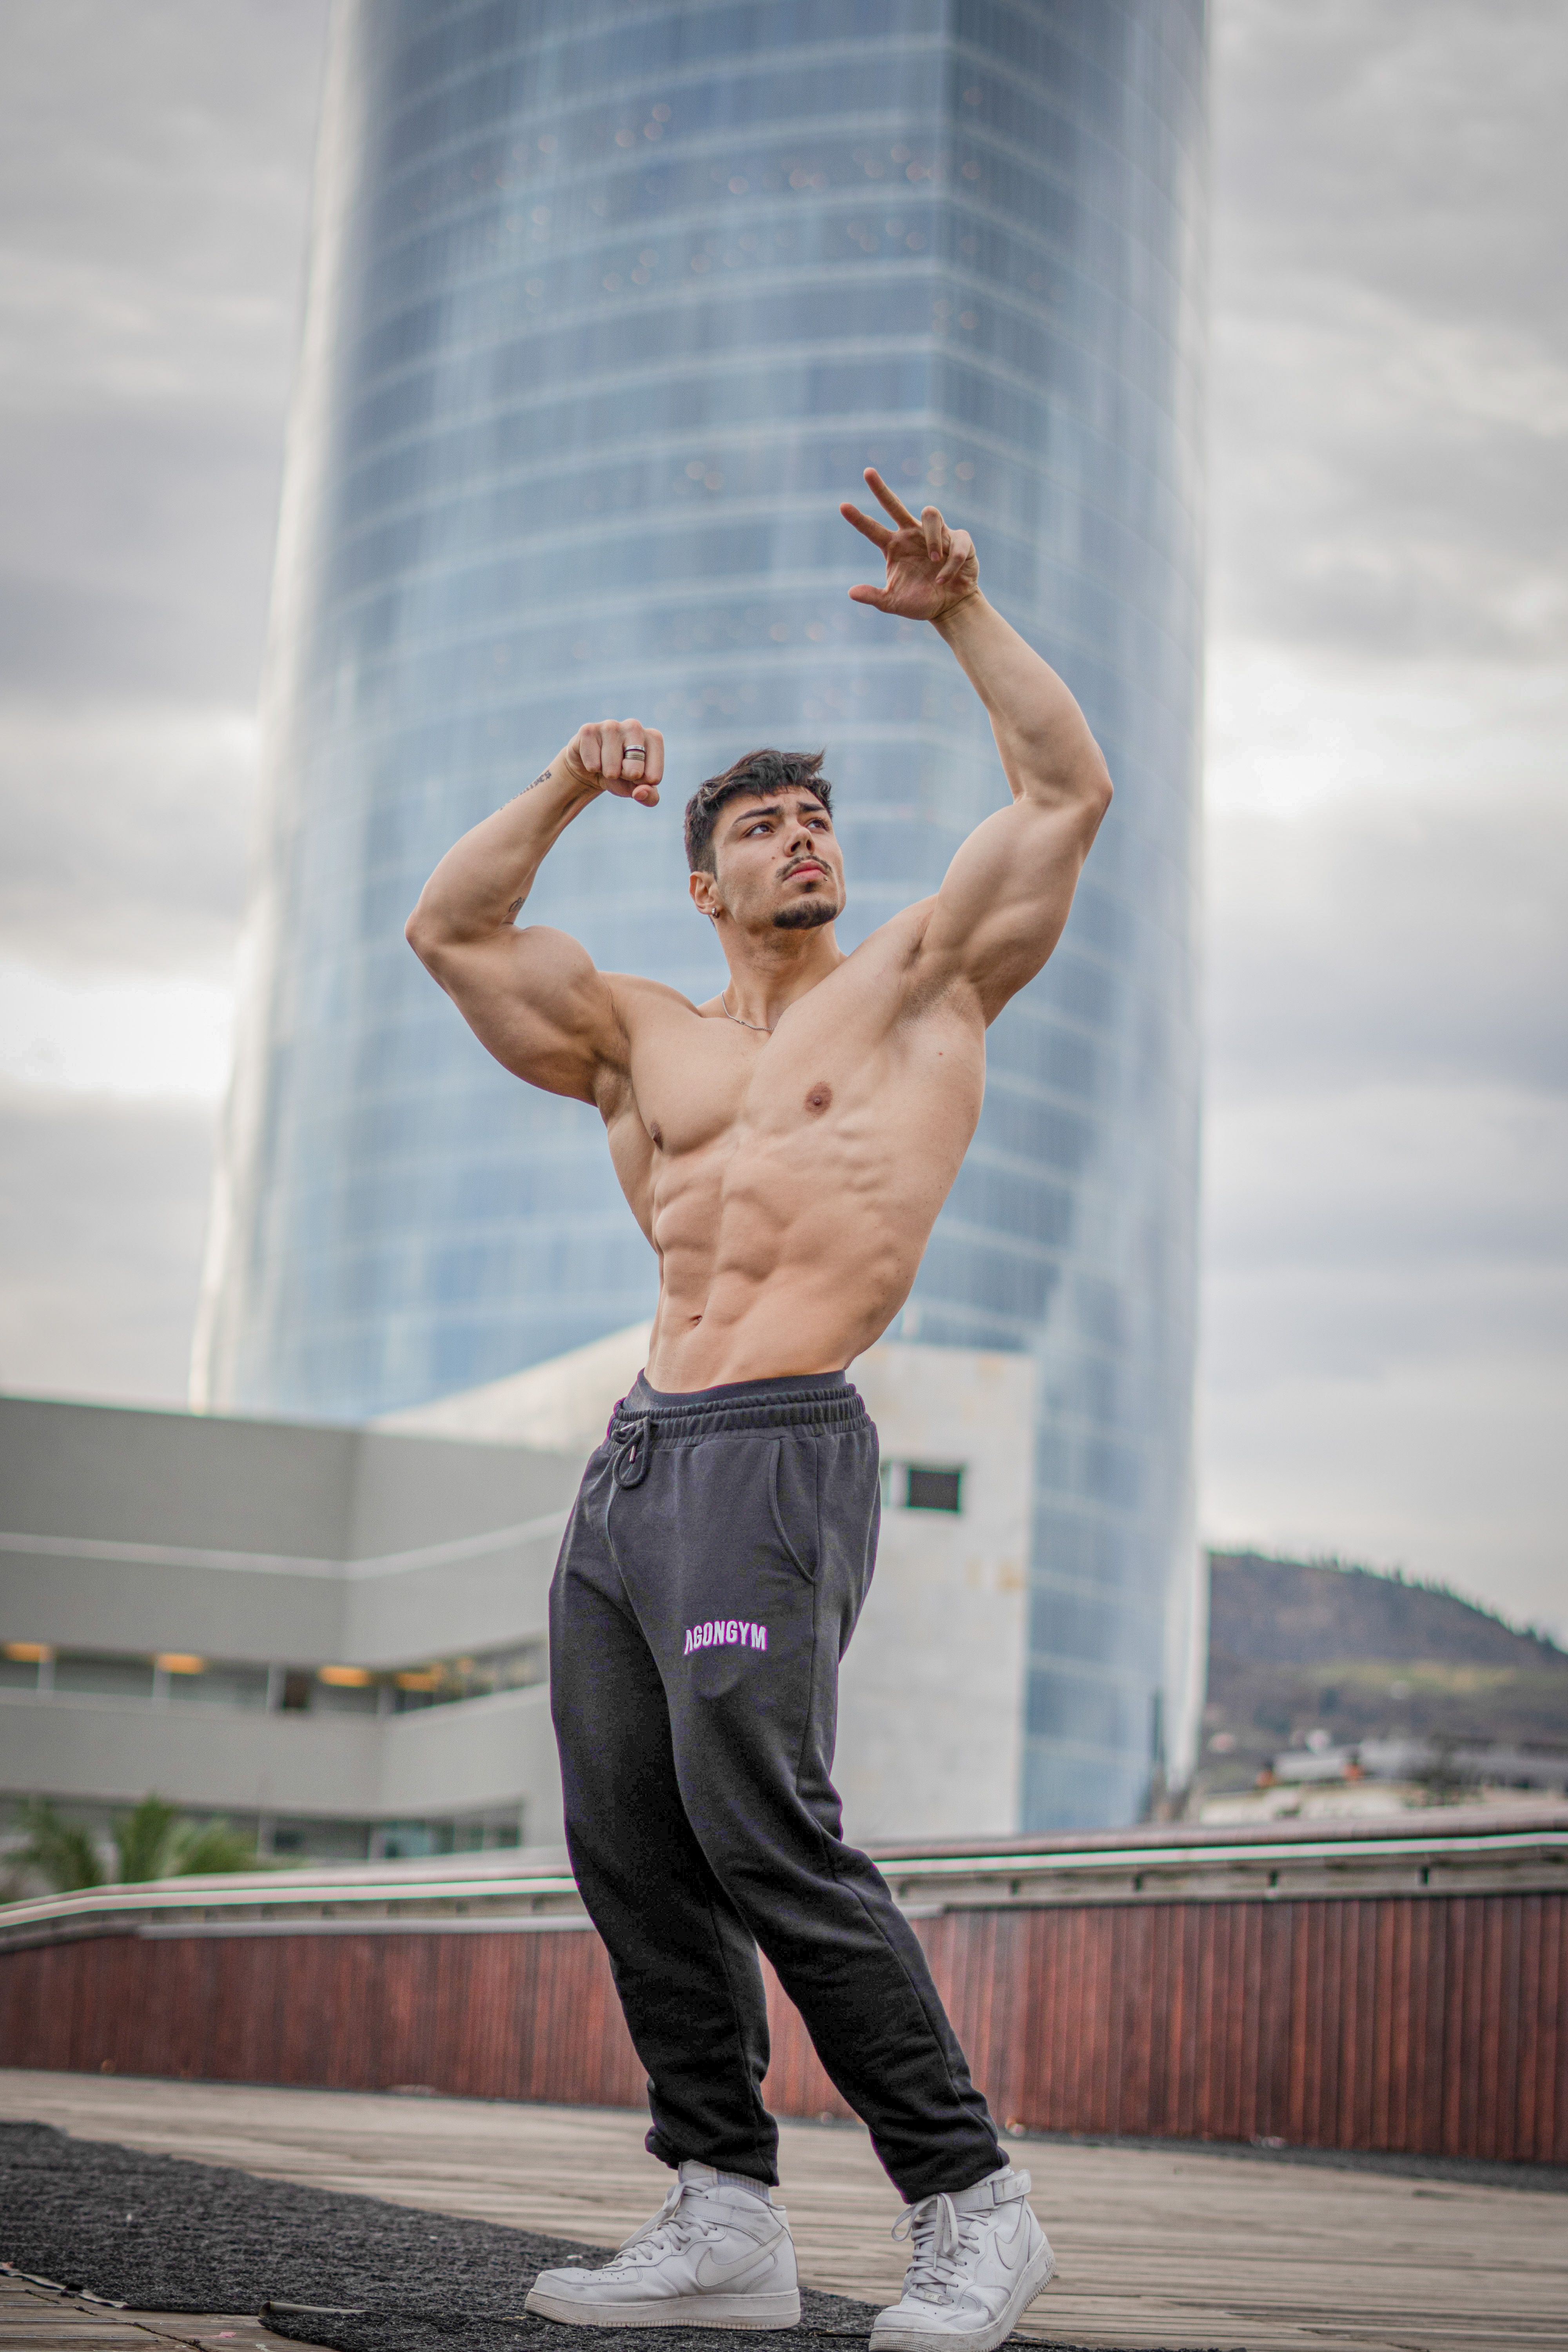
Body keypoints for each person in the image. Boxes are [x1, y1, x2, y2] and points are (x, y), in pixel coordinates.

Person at [406, 471, 1112, 2350]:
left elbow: (1063, 795)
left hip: (783, 1444)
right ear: (703, 881)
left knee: (761, 1825)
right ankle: (722, 2211)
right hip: (638, 1461)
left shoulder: (920, 988)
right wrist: (568, 782)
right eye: (762, 826)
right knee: (631, 1836)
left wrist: (961, 611)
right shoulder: (641, 1035)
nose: (803, 839)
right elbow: (451, 931)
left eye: (817, 819)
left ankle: (972, 2201)